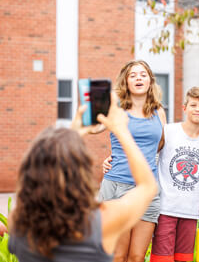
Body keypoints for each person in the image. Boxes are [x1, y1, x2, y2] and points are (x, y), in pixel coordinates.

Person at [8, 93, 158, 262]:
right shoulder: (100, 221)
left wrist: (74, 133)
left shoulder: (20, 222)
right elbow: (147, 187)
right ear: (81, 173)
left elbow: (57, 161)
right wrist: (121, 130)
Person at [98, 60, 166, 262]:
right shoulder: (116, 110)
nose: (138, 78)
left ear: (150, 81)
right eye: (133, 75)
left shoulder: (159, 112)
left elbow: (161, 144)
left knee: (137, 256)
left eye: (143, 74)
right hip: (117, 187)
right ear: (126, 81)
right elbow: (95, 128)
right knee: (118, 256)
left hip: (147, 192)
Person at [150, 86, 199, 262]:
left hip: (191, 211)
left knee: (183, 259)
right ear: (184, 108)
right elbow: (146, 151)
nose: (198, 109)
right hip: (165, 209)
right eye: (193, 105)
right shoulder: (168, 131)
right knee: (161, 259)